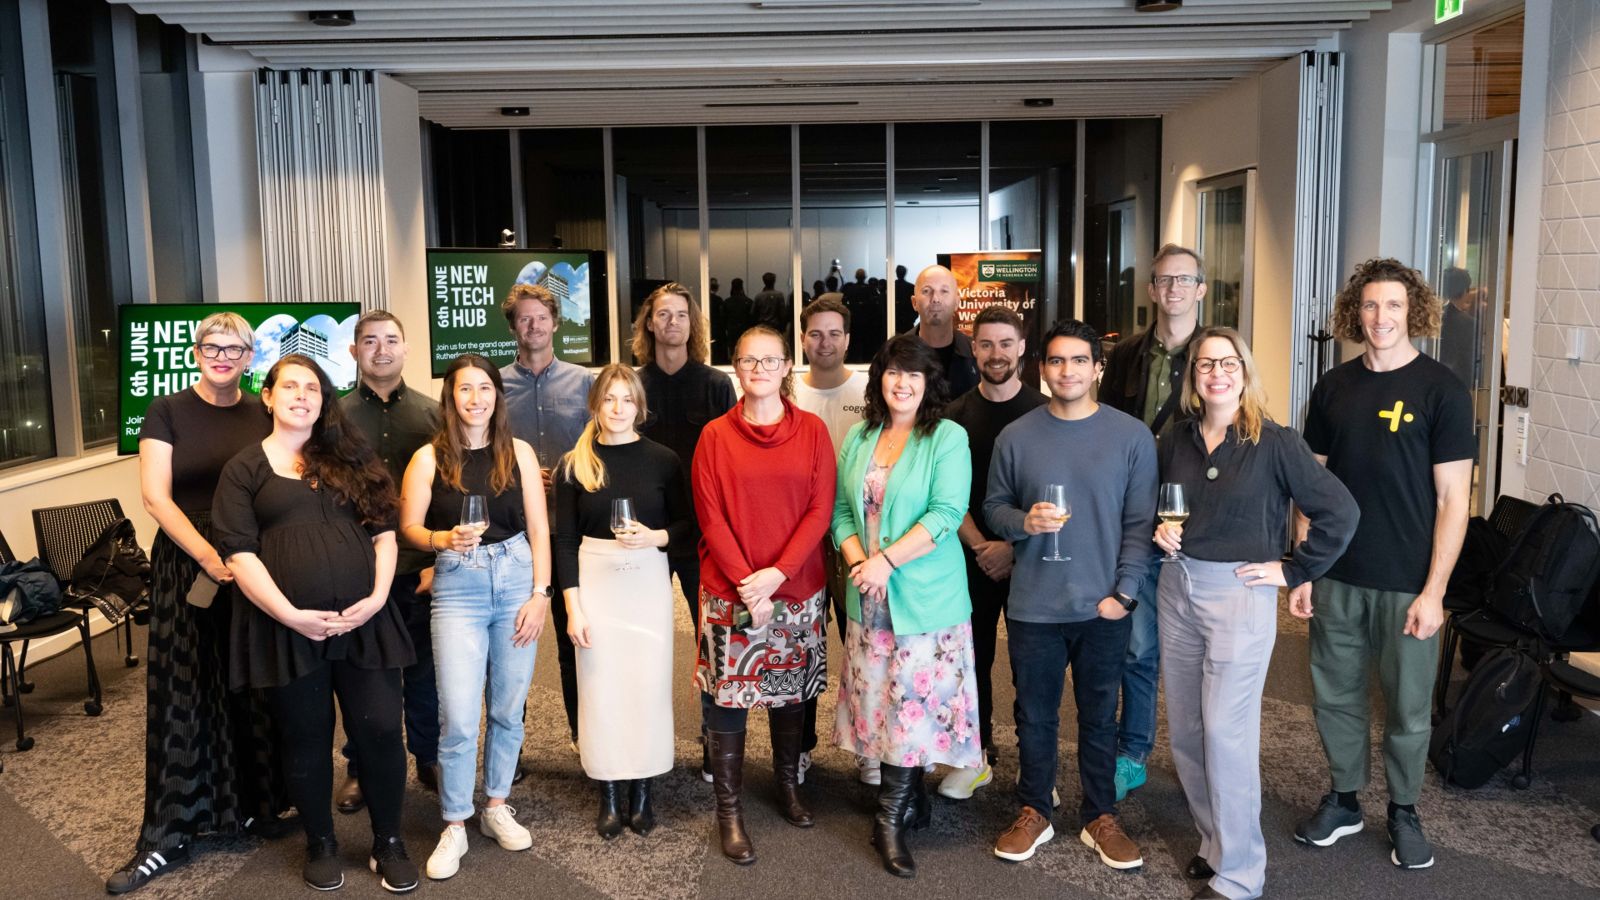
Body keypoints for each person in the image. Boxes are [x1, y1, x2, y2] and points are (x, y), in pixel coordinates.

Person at [1152, 327, 1359, 900]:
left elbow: (1340, 511)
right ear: (1193, 376)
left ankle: (1242, 875)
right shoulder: (1176, 438)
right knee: (1188, 732)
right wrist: (1158, 530)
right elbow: (1152, 507)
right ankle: (1214, 843)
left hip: (1239, 594)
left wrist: (1294, 569)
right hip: (1177, 587)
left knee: (1226, 732)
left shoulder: (1276, 441)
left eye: (1228, 362)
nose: (1216, 373)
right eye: (1204, 364)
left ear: (1244, 371)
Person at [1291, 258, 1473, 871]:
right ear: (1354, 313)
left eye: (1393, 306)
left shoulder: (1441, 389)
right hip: (1339, 573)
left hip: (1407, 583)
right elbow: (1310, 482)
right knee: (1335, 696)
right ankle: (1344, 800)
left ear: (1413, 312)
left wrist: (1435, 591)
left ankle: (1403, 809)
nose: (1380, 318)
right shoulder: (1333, 386)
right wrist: (1306, 566)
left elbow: (1454, 500)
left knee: (1407, 706)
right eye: (1370, 305)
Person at [212, 354, 417, 893]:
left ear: (324, 400)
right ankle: (321, 842)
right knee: (305, 736)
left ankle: (388, 840)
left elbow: (385, 535)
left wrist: (376, 597)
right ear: (269, 396)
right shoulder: (244, 469)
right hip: (285, 629)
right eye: (291, 387)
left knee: (378, 729)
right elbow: (239, 555)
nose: (302, 395)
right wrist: (290, 614)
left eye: (313, 388)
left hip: (364, 621)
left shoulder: (352, 457)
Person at [109, 313, 288, 894]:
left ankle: (258, 806)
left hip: (253, 558)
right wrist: (211, 557)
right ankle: (167, 834)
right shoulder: (166, 410)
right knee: (183, 694)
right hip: (188, 561)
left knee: (251, 684)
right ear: (195, 352)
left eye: (235, 348)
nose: (222, 356)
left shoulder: (262, 411)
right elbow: (154, 497)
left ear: (249, 356)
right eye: (212, 346)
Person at [984, 319, 1156, 870]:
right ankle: (1035, 808)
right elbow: (994, 508)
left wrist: (1125, 595)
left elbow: (1139, 525)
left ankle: (1099, 816)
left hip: (1104, 606)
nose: (1067, 371)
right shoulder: (1017, 435)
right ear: (1043, 369)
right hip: (1035, 604)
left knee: (1100, 717)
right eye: (1056, 361)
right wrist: (1022, 523)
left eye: (1079, 361)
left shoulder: (1131, 437)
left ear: (1098, 369)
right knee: (1035, 716)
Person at [832, 334, 981, 878]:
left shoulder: (946, 436)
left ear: (928, 383)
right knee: (879, 700)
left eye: (913, 375)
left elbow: (946, 513)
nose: (902, 383)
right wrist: (860, 565)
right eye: (893, 373)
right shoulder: (859, 435)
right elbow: (839, 515)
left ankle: (888, 818)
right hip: (867, 595)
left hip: (924, 599)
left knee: (912, 707)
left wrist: (886, 563)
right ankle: (911, 797)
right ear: (880, 379)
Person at [399, 354, 552, 881]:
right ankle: (456, 822)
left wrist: (541, 594)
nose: (476, 399)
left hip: (516, 579)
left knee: (509, 708)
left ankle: (495, 806)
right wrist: (441, 540)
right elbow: (409, 528)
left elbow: (540, 530)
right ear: (451, 397)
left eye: (485, 388)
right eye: (465, 389)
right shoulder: (427, 458)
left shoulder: (521, 453)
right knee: (460, 716)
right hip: (457, 584)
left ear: (496, 396)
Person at [693, 325, 836, 866]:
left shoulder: (814, 431)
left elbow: (819, 511)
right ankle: (729, 811)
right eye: (749, 360)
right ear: (736, 368)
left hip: (795, 588)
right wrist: (749, 582)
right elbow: (711, 515)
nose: (759, 369)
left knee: (790, 692)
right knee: (727, 700)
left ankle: (788, 787)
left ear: (785, 368)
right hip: (730, 592)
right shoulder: (714, 436)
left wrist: (776, 575)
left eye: (770, 360)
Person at [556, 364, 691, 839]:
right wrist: (573, 606)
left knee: (647, 685)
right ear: (595, 404)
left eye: (627, 400)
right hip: (594, 583)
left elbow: (686, 527)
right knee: (600, 688)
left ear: (640, 406)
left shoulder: (663, 460)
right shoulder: (575, 463)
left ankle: (644, 790)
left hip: (647, 583)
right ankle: (610, 790)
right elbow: (565, 541)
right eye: (609, 399)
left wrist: (653, 536)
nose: (618, 409)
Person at [1097, 242, 1204, 803]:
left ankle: (1201, 757)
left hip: (1192, 523)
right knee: (1134, 643)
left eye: (1184, 280)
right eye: (1164, 280)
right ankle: (1131, 752)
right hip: (1131, 516)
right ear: (1152, 290)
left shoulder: (1215, 354)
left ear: (1200, 289)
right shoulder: (1126, 356)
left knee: (1197, 648)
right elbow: (1107, 428)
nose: (1173, 290)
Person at [334, 310, 442, 815]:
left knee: (424, 671)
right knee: (364, 674)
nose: (382, 349)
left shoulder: (434, 414)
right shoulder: (330, 417)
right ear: (354, 351)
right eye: (370, 341)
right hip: (357, 570)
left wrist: (437, 561)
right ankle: (359, 765)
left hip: (419, 568)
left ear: (406, 348)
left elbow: (450, 492)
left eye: (391, 340)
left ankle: (428, 756)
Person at [940, 305, 1046, 801]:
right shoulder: (953, 417)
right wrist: (983, 546)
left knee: (1031, 665)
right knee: (971, 659)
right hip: (970, 556)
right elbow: (947, 496)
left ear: (1022, 348)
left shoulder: (1044, 413)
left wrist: (1012, 547)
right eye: (986, 344)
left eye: (1006, 343)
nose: (996, 354)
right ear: (973, 349)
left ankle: (1034, 765)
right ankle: (976, 755)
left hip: (1031, 559)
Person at [633, 282, 738, 779]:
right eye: (662, 315)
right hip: (642, 536)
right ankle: (643, 742)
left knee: (712, 641)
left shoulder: (716, 385)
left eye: (680, 315)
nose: (671, 323)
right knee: (641, 641)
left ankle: (713, 742)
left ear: (692, 324)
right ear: (648, 324)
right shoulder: (633, 386)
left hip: (702, 535)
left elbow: (730, 460)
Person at [499, 283, 593, 749]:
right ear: (513, 326)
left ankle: (584, 737)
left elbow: (601, 450)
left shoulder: (585, 383)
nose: (533, 325)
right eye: (523, 318)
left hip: (570, 533)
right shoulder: (493, 386)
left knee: (575, 642)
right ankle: (509, 747)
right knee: (510, 648)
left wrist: (569, 470)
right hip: (513, 536)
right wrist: (519, 476)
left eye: (541, 317)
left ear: (556, 322)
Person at [792, 293, 869, 781]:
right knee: (801, 646)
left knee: (864, 643)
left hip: (858, 539)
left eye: (834, 333)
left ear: (847, 338)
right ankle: (799, 746)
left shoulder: (871, 391)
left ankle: (869, 745)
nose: (824, 342)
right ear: (803, 339)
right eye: (815, 333)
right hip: (801, 538)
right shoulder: (788, 394)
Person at [909, 265, 980, 398]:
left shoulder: (977, 354)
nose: (935, 299)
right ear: (914, 303)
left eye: (944, 291)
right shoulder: (894, 354)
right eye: (926, 291)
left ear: (957, 302)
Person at [840, 267, 878, 364]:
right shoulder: (870, 289)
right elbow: (874, 305)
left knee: (855, 344)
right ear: (865, 277)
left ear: (856, 277)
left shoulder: (851, 289)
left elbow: (844, 302)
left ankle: (854, 361)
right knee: (867, 345)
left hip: (854, 320)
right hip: (868, 321)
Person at [752, 271, 790, 335]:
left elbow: (753, 314)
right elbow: (782, 314)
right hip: (775, 327)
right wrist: (783, 328)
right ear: (774, 281)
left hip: (762, 327)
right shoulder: (779, 295)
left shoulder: (758, 296)